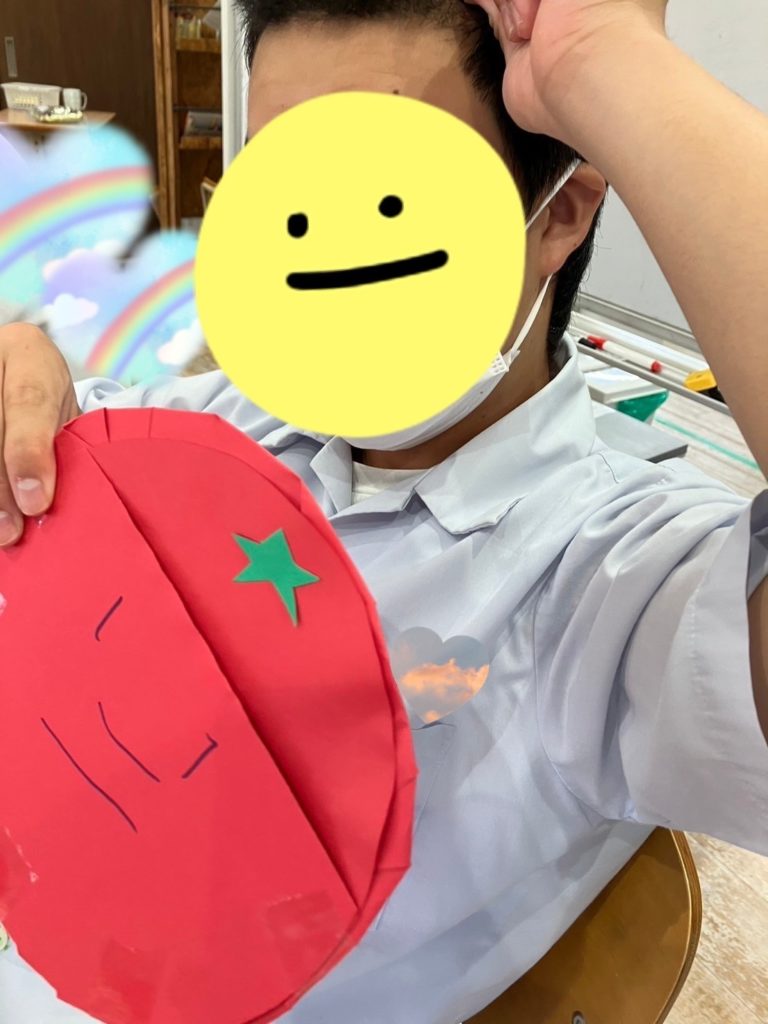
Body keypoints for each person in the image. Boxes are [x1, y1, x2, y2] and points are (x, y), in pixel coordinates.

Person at [0, 0, 767, 1020]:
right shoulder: (223, 425)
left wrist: (609, 62)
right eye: (284, 186)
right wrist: (27, 369)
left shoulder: (614, 579)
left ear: (561, 215)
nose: (321, 237)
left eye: (387, 190)